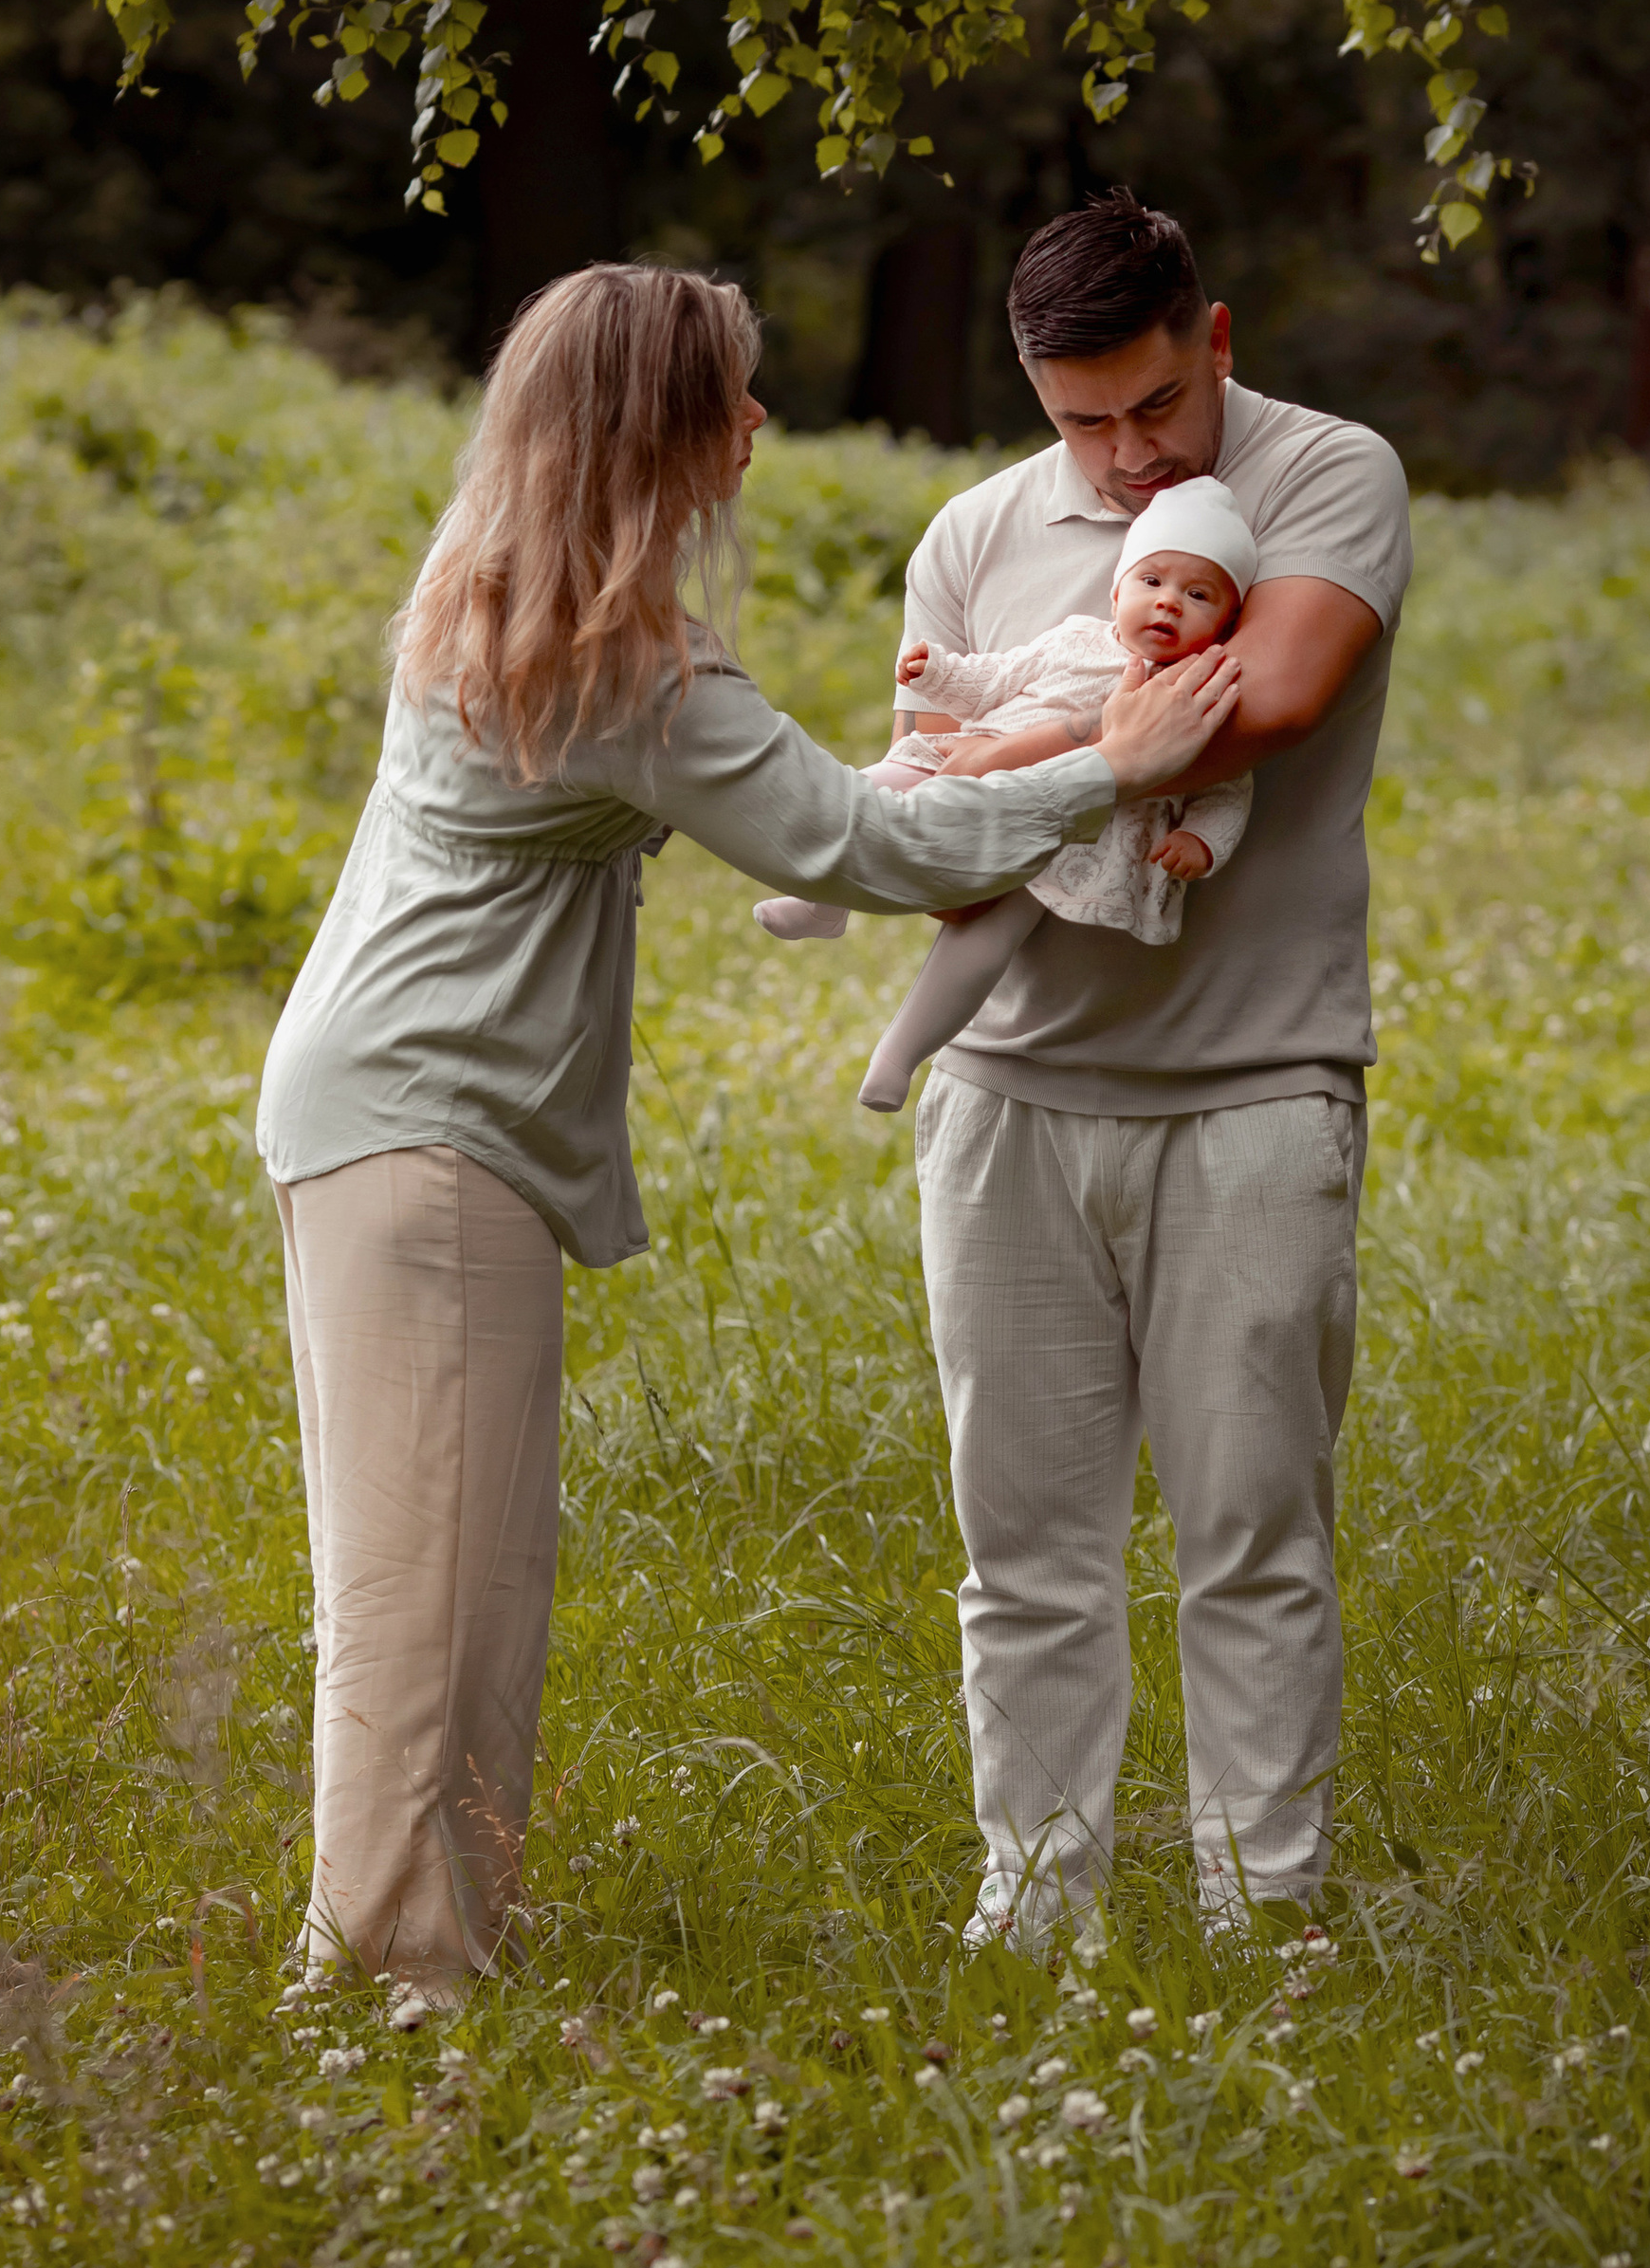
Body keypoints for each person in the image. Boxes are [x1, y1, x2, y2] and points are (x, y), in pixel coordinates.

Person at [251, 260, 1240, 2018]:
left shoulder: (502, 584)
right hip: (427, 1136)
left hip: (379, 1111)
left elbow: (844, 815)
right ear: (659, 427)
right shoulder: (620, 663)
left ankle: (426, 1939)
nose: (760, 426)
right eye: (734, 396)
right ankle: (397, 1992)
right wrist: (1114, 752)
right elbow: (858, 849)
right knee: (433, 1585)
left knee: (441, 1562)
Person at [898, 188, 1412, 1950]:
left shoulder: (1332, 477)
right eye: (1078, 422)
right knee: (1021, 1551)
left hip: (1258, 1090)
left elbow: (1260, 705)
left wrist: (1030, 757)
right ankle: (1032, 1920)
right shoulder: (973, 535)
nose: (1121, 459)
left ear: (1216, 336)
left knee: (1254, 1535)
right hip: (1008, 1099)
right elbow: (937, 851)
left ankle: (1270, 1922)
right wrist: (1069, 760)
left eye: (1151, 408)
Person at [754, 476, 1259, 1113]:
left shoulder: (1195, 690)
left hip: (1068, 831)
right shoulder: (1074, 638)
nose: (1167, 605)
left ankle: (900, 1054)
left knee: (988, 935)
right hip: (971, 758)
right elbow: (995, 677)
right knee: (871, 792)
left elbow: (1229, 783)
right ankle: (823, 898)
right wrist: (938, 671)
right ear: (1117, 590)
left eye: (1197, 594)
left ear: (1228, 620)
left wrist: (1199, 840)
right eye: (1151, 582)